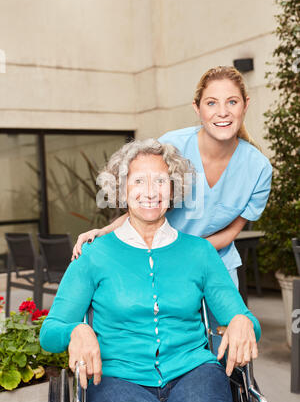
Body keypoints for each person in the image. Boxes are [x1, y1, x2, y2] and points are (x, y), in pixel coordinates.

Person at [40, 139, 261, 402]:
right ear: (122, 189)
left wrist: (243, 322)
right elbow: (50, 332)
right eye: (139, 181)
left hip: (195, 373)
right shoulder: (93, 256)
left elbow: (246, 321)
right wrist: (75, 331)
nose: (150, 192)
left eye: (160, 181)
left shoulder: (200, 252)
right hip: (115, 379)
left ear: (173, 188)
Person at [71, 66, 272, 291]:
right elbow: (142, 205)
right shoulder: (171, 147)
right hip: (162, 263)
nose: (223, 112)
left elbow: (230, 233)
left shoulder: (259, 169)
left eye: (232, 102)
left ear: (245, 104)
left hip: (216, 265)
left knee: (230, 325)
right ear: (197, 108)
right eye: (212, 103)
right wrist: (102, 233)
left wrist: (185, 252)